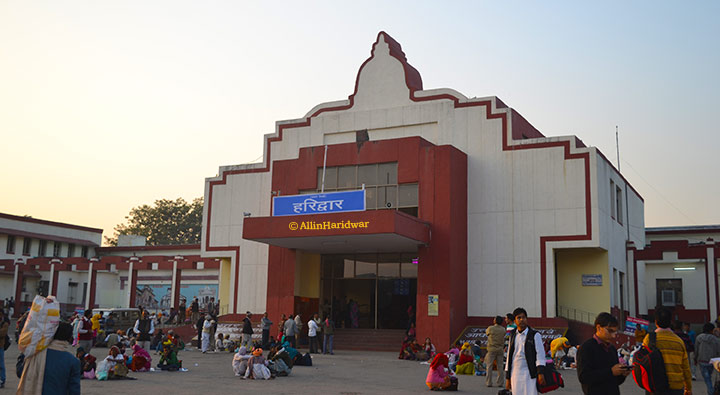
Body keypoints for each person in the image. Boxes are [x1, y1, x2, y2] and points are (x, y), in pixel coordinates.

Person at [18, 322, 81, 394]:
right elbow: (74, 390)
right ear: (69, 338)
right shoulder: (73, 361)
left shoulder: (36, 354)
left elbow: (20, 372)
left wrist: (24, 353)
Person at [576, 312, 630, 395]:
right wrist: (610, 372)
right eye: (610, 331)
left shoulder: (611, 349)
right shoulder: (586, 348)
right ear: (599, 328)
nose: (613, 336)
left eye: (615, 332)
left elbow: (614, 381)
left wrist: (622, 374)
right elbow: (584, 377)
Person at [643, 307, 692, 395]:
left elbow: (643, 360)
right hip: (676, 386)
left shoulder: (649, 339)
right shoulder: (679, 341)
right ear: (670, 322)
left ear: (656, 322)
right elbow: (685, 367)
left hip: (655, 385)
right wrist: (688, 387)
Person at [504, 307, 546, 395]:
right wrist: (508, 377)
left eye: (523, 317)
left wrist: (540, 373)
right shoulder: (512, 335)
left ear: (527, 319)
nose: (521, 320)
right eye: (519, 318)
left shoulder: (534, 335)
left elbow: (540, 354)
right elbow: (509, 356)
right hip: (515, 373)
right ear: (515, 321)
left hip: (530, 373)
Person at [693, 323, 719, 395]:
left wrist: (695, 359)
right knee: (709, 377)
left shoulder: (699, 338)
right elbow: (718, 350)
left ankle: (710, 391)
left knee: (707, 379)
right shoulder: (715, 339)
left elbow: (696, 349)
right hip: (712, 361)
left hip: (702, 361)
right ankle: (711, 391)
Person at [485, 315, 506, 387]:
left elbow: (487, 333)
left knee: (489, 366)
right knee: (500, 367)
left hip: (491, 349)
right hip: (500, 349)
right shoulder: (503, 329)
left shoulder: (490, 328)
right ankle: (500, 383)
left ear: (495, 321)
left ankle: (489, 382)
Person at [0, 309, 8, 388]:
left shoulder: (4, 324)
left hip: (0, 347)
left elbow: (2, 333)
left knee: (1, 364)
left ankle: (2, 379)